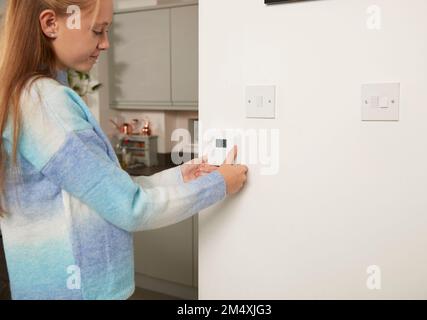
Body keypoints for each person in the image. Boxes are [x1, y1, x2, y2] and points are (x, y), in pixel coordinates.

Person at [0, 0, 248, 300]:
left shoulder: (27, 97)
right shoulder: (46, 104)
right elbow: (131, 208)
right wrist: (219, 184)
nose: (105, 44)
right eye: (97, 31)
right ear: (50, 24)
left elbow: (108, 193)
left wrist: (184, 175)